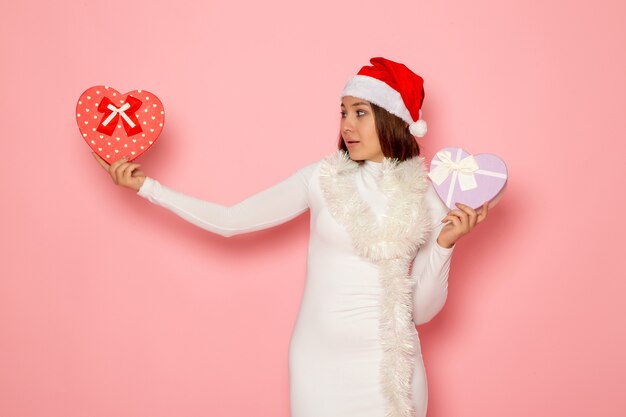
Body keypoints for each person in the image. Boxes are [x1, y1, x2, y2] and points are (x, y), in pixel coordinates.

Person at [93, 57, 489, 417]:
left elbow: (419, 312)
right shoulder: (322, 177)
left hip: (390, 371)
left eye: (360, 113)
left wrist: (444, 245)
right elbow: (233, 220)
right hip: (320, 365)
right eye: (343, 113)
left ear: (392, 118)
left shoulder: (428, 195)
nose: (347, 125)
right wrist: (149, 188)